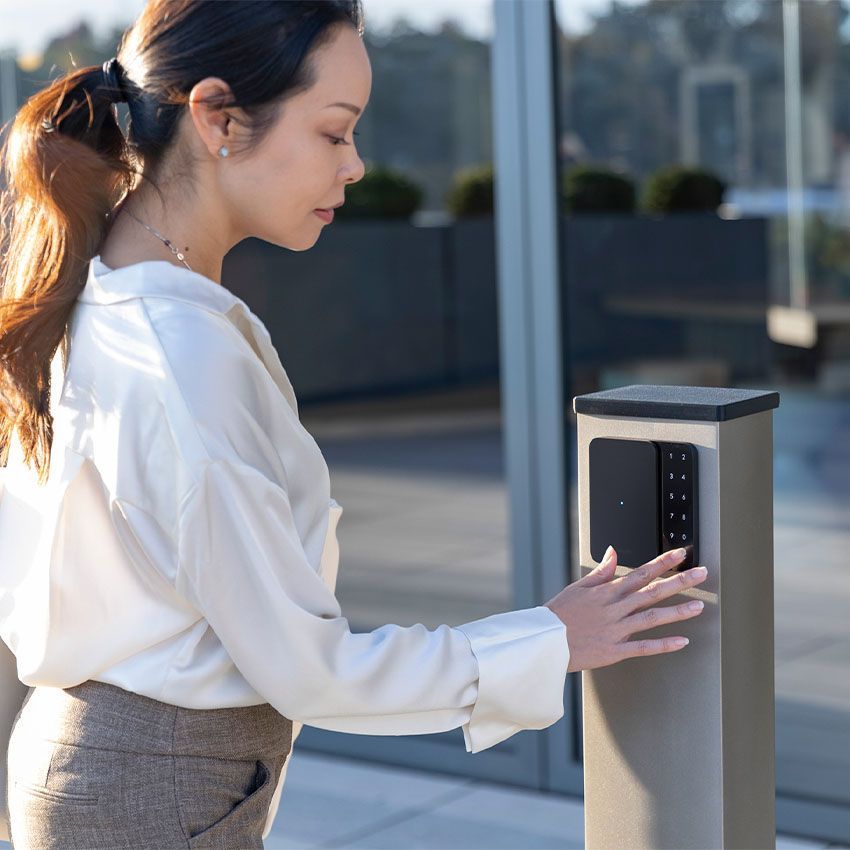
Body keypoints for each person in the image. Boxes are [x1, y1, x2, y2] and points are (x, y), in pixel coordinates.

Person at [0, 1, 708, 847]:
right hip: (152, 793)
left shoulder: (94, 296)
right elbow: (312, 670)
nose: (357, 166)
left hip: (108, 772)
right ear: (219, 119)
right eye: (335, 133)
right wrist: (550, 638)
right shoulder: (176, 353)